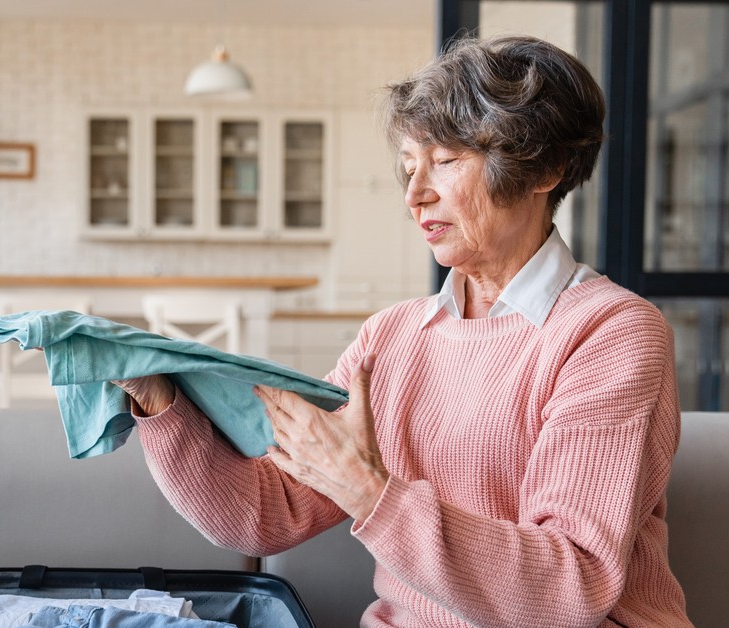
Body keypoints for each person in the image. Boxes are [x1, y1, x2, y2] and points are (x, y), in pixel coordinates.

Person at [116, 35, 691, 627]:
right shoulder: (390, 339)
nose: (415, 196)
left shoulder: (610, 332)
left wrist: (370, 492)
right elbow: (266, 512)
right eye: (409, 167)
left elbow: (568, 588)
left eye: (444, 161)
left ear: (543, 168)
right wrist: (161, 406)